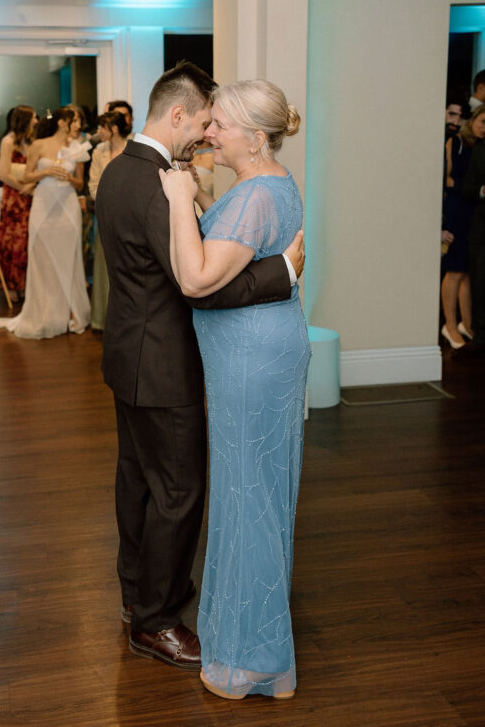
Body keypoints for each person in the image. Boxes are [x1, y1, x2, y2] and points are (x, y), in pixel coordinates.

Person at [95, 61, 304, 673]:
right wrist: (281, 273)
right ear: (178, 114)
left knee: (137, 481)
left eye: (222, 124)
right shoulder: (161, 183)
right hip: (165, 366)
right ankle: (157, 622)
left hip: (129, 355)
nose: (206, 135)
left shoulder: (118, 170)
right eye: (204, 122)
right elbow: (201, 287)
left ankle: (138, 598)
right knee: (178, 493)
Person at [159, 79, 310, 700]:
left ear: (253, 136)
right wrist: (196, 204)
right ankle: (259, 652)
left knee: (250, 501)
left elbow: (195, 279)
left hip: (252, 362)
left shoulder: (253, 195)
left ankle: (255, 660)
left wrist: (176, 196)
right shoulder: (270, 185)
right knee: (259, 498)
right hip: (259, 355)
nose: (207, 131)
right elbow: (228, 258)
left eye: (218, 123)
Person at [0, 106, 90, 339]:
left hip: (67, 206)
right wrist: (47, 173)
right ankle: (44, 313)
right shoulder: (38, 145)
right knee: (41, 258)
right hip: (43, 204)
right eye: (75, 121)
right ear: (62, 122)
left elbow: (80, 184)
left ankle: (71, 313)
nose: (79, 126)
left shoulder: (78, 148)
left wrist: (69, 177)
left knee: (68, 258)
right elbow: (28, 175)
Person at [441, 105, 485, 348]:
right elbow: (444, 179)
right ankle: (449, 324)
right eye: (481, 121)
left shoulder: (476, 147)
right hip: (457, 211)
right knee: (455, 271)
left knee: (467, 272)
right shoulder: (455, 143)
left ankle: (465, 323)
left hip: (473, 213)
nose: (483, 127)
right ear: (473, 121)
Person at [0, 105, 38, 297]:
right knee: (12, 240)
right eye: (33, 117)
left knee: (28, 241)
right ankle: (11, 285)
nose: (36, 121)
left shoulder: (33, 142)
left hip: (30, 195)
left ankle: (25, 284)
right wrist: (23, 187)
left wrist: (32, 186)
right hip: (14, 198)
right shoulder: (8, 142)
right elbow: (3, 173)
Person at [88, 111, 129, 330]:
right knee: (104, 265)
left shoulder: (132, 148)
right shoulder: (99, 152)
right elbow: (93, 185)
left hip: (130, 216)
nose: (99, 132)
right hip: (106, 215)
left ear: (113, 128)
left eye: (102, 127)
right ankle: (102, 318)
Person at [462, 105, 485, 345]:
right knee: (479, 282)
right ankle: (480, 332)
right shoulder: (478, 152)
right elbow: (466, 187)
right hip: (480, 229)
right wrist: (481, 190)